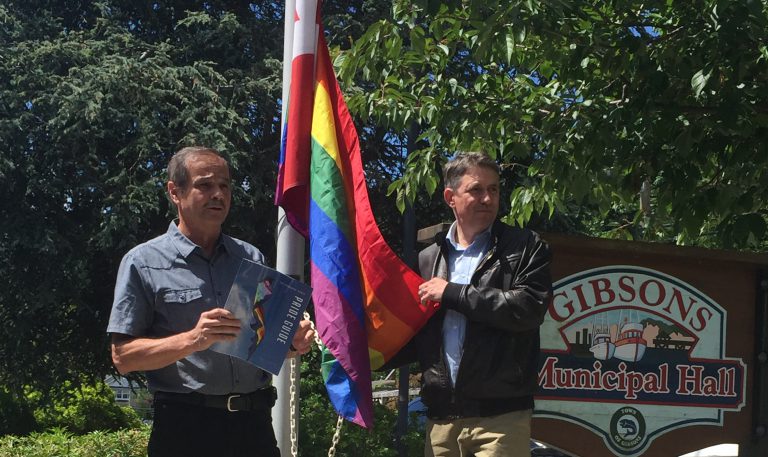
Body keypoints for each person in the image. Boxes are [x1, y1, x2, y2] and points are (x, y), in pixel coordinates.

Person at [107, 146, 314, 457]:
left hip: (253, 426)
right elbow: (123, 358)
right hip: (185, 430)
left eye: (225, 185)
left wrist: (291, 343)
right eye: (205, 185)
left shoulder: (250, 257)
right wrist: (194, 339)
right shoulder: (143, 263)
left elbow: (260, 345)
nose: (218, 194)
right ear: (175, 192)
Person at [399, 152, 552, 456]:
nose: (487, 198)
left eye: (494, 189)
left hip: (501, 419)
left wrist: (452, 293)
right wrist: (361, 348)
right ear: (450, 197)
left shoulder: (525, 246)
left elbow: (527, 308)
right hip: (442, 420)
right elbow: (413, 335)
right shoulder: (427, 258)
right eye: (476, 189)